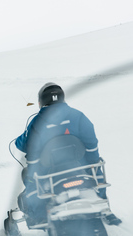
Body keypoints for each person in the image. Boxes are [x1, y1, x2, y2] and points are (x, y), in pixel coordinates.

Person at [15, 82, 121, 226]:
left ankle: (38, 216)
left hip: (48, 172)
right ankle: (105, 207)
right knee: (97, 166)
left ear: (41, 102)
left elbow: (26, 145)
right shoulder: (78, 116)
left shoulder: (36, 122)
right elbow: (91, 143)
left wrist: (18, 141)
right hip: (79, 168)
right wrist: (92, 164)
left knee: (30, 179)